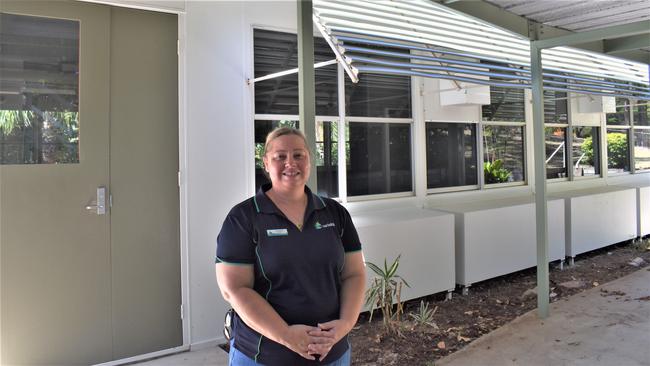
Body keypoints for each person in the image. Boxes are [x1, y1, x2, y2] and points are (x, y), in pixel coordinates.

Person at [215, 127, 366, 365]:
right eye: (280, 156)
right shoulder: (243, 218)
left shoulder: (335, 213)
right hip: (264, 356)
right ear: (265, 162)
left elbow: (355, 274)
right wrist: (286, 336)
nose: (290, 163)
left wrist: (345, 325)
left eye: (298, 155)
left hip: (332, 353)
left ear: (309, 159)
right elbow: (234, 289)